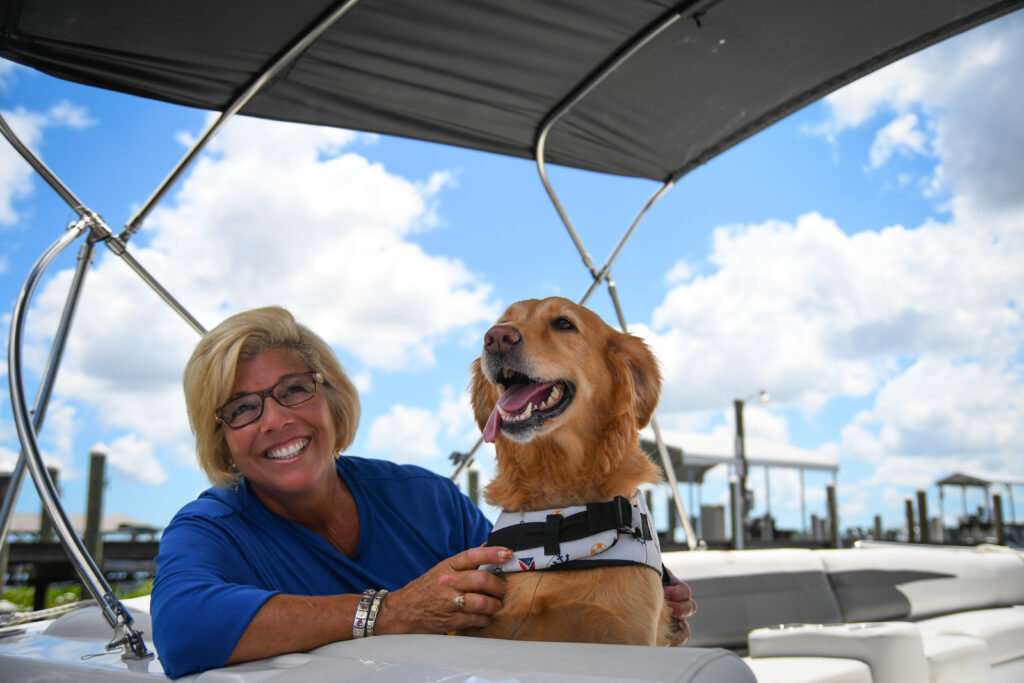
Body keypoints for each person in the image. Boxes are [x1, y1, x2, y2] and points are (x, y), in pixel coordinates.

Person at [151, 306, 695, 678]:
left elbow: (525, 598)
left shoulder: (423, 499)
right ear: (219, 437)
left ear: (331, 399)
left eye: (293, 390)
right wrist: (388, 612)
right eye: (243, 409)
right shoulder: (210, 529)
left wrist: (637, 595)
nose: (275, 420)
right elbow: (181, 630)